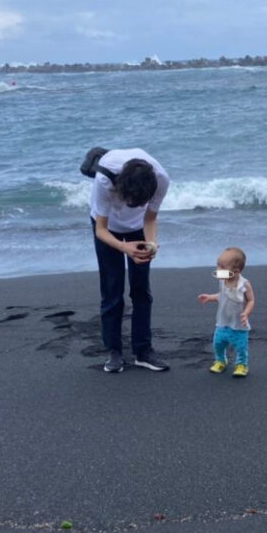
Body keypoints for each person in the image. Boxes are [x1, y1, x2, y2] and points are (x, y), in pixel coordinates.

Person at [90, 148, 170, 373]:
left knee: (141, 289)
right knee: (112, 288)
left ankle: (143, 351)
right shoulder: (104, 179)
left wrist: (151, 244)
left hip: (138, 228)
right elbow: (101, 230)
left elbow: (151, 218)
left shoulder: (161, 180)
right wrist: (124, 247)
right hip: (107, 227)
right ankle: (114, 351)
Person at [197, 246, 255, 378]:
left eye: (222, 267)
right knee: (218, 343)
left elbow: (251, 300)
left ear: (236, 271)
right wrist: (210, 297)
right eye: (217, 265)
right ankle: (220, 360)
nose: (218, 270)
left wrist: (246, 313)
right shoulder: (223, 281)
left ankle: (241, 364)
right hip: (223, 321)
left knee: (240, 347)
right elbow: (222, 295)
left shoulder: (244, 284)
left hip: (238, 324)